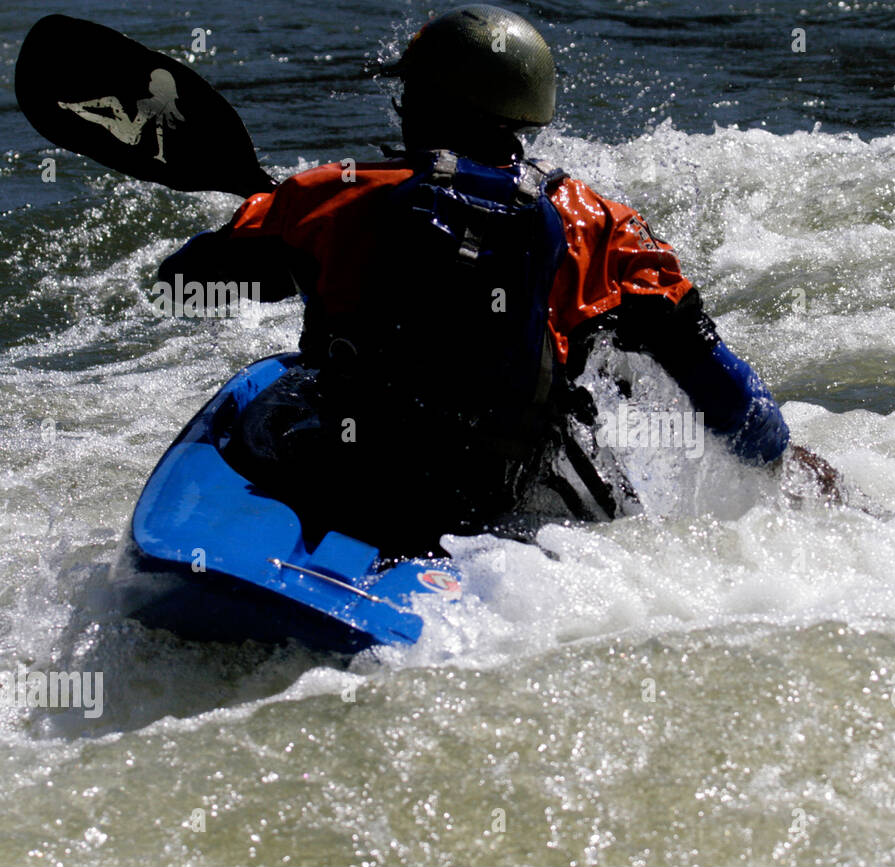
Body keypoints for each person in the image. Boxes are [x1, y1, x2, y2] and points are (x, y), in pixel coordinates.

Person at [158, 4, 810, 557]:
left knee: (280, 403)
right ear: (529, 115)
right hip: (504, 489)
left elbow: (184, 281)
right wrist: (779, 456)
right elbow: (723, 393)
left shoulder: (327, 195)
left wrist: (274, 221)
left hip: (354, 470)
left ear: (415, 106)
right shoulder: (603, 224)